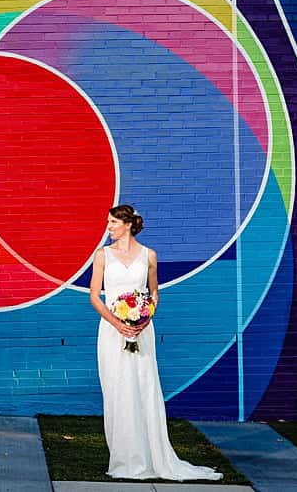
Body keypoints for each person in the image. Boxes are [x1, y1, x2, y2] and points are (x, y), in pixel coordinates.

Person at [91, 205, 221, 482]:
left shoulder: (149, 255)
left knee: (144, 387)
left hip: (141, 331)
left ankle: (152, 456)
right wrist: (117, 323)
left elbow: (153, 293)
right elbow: (94, 296)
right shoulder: (102, 255)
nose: (109, 227)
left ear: (127, 224)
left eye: (113, 222)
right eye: (108, 222)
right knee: (116, 390)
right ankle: (125, 458)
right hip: (112, 331)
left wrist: (144, 318)